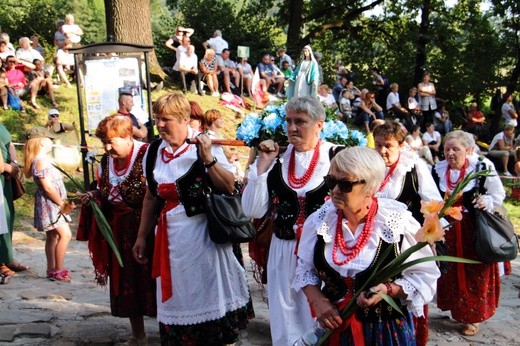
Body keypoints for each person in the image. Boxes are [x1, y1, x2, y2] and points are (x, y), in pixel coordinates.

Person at [132, 93, 250, 345]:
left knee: (206, 294)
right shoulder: (153, 151)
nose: (160, 125)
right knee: (178, 296)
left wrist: (209, 159)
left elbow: (229, 187)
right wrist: (141, 236)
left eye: (167, 119)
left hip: (203, 238)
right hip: (169, 238)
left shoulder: (205, 146)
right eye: (157, 119)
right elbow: (151, 198)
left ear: (185, 119)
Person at [293, 146, 440, 345]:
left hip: (384, 332)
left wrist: (389, 290)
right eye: (331, 181)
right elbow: (304, 269)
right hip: (334, 330)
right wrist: (317, 300)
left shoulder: (396, 224)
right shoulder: (320, 221)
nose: (335, 190)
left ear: (370, 188)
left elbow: (425, 274)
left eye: (345, 184)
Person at [242, 96, 339, 345]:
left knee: (322, 319)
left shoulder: (335, 157)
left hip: (323, 254)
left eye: (300, 122)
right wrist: (262, 164)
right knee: (285, 318)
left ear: (319, 124)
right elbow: (252, 209)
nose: (293, 127)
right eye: (289, 121)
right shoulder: (278, 160)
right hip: (284, 251)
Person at [77, 114, 156, 346]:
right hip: (120, 232)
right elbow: (105, 190)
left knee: (154, 281)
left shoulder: (147, 154)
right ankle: (138, 335)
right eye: (104, 142)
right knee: (127, 282)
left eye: (112, 141)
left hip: (149, 228)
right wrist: (94, 196)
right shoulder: (107, 161)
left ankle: (171, 328)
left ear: (128, 136)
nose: (107, 147)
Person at [374, 121, 444, 345]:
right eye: (378, 145)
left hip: (407, 246)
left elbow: (433, 204)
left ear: (401, 146)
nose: (382, 151)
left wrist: (428, 237)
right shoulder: (371, 166)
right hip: (375, 244)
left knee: (403, 295)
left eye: (388, 146)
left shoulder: (414, 167)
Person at [431, 130, 505, 337]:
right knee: (450, 271)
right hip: (449, 229)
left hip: (474, 230)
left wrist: (486, 201)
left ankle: (473, 317)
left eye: (456, 149)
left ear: (469, 150)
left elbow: (497, 193)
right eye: (447, 149)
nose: (450, 153)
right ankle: (458, 310)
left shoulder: (481, 166)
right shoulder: (437, 170)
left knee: (475, 273)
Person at [23, 127, 73, 282]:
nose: (51, 141)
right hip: (52, 204)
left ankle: (51, 268)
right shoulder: (41, 161)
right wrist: (62, 203)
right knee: (65, 235)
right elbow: (48, 187)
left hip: (50, 202)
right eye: (49, 139)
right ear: (42, 142)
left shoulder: (38, 160)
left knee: (52, 236)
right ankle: (58, 269)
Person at [0, 123, 28, 277]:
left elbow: (9, 143)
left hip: (5, 180)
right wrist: (8, 167)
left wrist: (14, 162)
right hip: (2, 175)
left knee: (7, 217)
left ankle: (7, 256)